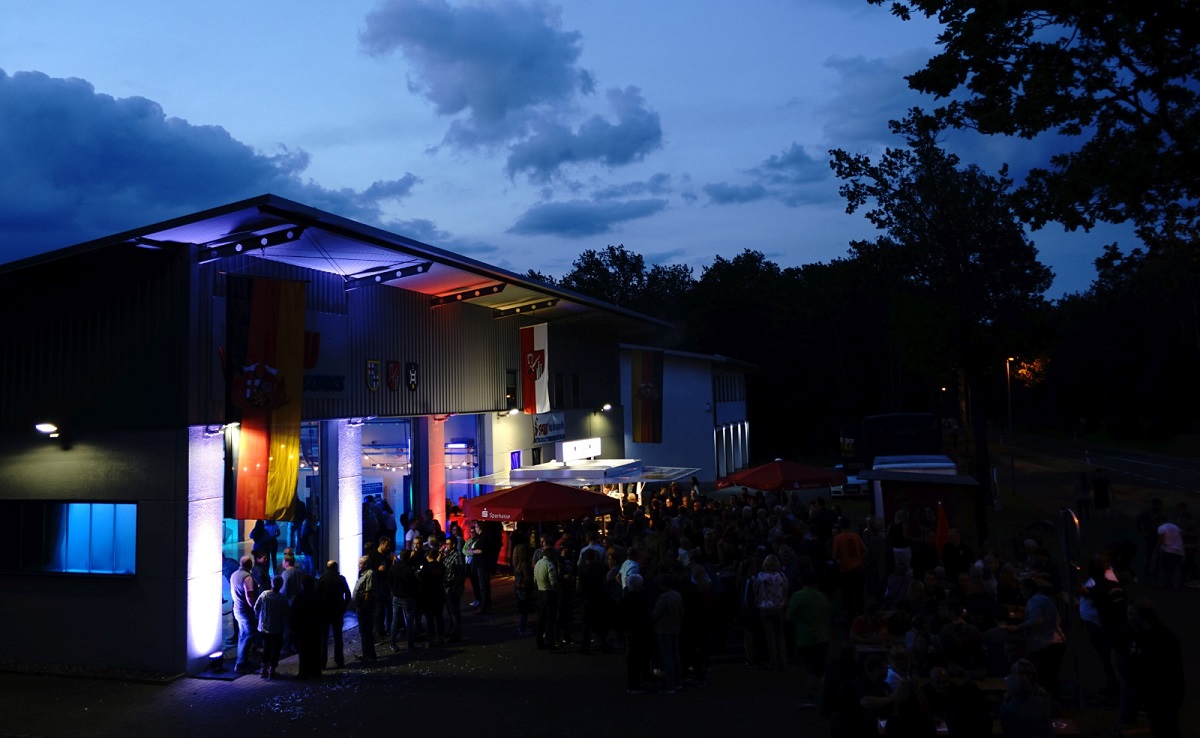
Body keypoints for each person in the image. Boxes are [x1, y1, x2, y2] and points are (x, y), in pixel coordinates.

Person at [1010, 578, 1065, 699]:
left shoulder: (1034, 601)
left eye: (1022, 590)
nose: (1021, 593)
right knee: (1051, 677)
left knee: (1045, 678)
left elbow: (1036, 620)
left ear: (1028, 589)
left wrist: (1017, 628)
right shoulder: (1044, 599)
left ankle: (1047, 703)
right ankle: (1054, 703)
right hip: (1056, 641)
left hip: (1045, 644)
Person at [786, 569, 831, 709]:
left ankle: (810, 697)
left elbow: (789, 617)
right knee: (821, 667)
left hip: (806, 637)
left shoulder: (798, 596)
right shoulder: (822, 597)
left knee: (811, 669)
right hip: (823, 636)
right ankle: (827, 695)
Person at [754, 553, 790, 671]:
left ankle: (773, 662)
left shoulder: (760, 576)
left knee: (770, 636)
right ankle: (783, 661)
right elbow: (786, 590)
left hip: (765, 607)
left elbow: (756, 591)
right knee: (780, 635)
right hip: (779, 607)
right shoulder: (782, 575)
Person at [315, 560, 351, 670]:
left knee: (323, 638)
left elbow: (317, 594)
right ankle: (339, 660)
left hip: (324, 612)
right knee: (338, 637)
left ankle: (322, 662)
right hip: (337, 611)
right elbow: (348, 594)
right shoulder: (341, 579)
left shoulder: (322, 579)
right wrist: (344, 606)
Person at [620, 573, 654, 694]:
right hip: (639, 631)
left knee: (633, 658)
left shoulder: (626, 597)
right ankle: (637, 683)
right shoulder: (640, 598)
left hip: (630, 630)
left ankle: (636, 682)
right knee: (638, 657)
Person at [652, 573, 685, 692]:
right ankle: (678, 681)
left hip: (664, 629)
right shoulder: (677, 595)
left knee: (668, 657)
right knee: (675, 655)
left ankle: (670, 683)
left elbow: (656, 614)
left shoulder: (663, 598)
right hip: (676, 627)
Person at [254, 575, 290, 679]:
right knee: (276, 649)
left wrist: (259, 618)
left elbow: (256, 607)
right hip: (277, 628)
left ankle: (263, 670)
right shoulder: (281, 598)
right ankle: (272, 671)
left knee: (266, 648)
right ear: (281, 585)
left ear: (271, 583)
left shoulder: (264, 594)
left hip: (264, 627)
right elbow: (286, 613)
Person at [999, 672, 1055, 737]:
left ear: (1011, 689)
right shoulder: (1042, 702)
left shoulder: (1007, 708)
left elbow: (1007, 731)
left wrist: (1006, 702)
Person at [229, 554, 260, 673]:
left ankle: (243, 659)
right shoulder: (247, 577)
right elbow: (249, 595)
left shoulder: (234, 575)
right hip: (245, 610)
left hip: (236, 608)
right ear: (249, 564)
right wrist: (254, 608)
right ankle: (241, 662)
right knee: (248, 635)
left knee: (243, 635)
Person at [831, 520, 867, 620]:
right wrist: (860, 559)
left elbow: (834, 556)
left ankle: (852, 618)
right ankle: (862, 616)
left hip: (846, 570)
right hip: (858, 568)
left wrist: (840, 562)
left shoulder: (837, 539)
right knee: (859, 594)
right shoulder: (856, 536)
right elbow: (865, 550)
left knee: (849, 595)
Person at [290, 574, 323, 679]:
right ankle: (316, 671)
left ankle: (304, 672)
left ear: (303, 585)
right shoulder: (318, 595)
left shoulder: (299, 597)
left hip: (303, 628)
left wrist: (294, 627)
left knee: (304, 651)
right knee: (316, 649)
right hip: (316, 627)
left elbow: (294, 613)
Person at [533, 543, 560, 651]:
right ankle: (550, 643)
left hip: (540, 592)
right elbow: (553, 582)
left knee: (541, 619)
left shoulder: (538, 564)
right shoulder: (550, 565)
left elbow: (534, 579)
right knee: (550, 620)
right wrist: (557, 591)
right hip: (549, 593)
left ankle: (539, 642)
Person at [352, 555, 377, 662]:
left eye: (360, 563)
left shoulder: (369, 574)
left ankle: (369, 655)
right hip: (361, 606)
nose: (358, 565)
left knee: (366, 630)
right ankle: (366, 653)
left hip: (364, 607)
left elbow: (369, 592)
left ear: (366, 564)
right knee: (363, 631)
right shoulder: (363, 574)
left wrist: (364, 605)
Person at [1154, 513, 1185, 589]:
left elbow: (1160, 540)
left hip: (1167, 550)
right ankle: (1175, 585)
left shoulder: (1161, 528)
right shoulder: (1176, 527)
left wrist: (1156, 551)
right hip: (1178, 551)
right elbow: (1181, 538)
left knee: (1164, 567)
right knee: (1175, 569)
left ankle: (1161, 584)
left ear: (1160, 521)